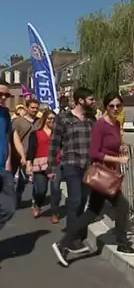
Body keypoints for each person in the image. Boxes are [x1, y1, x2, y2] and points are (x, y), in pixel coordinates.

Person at [52, 92, 134, 266]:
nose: (115, 109)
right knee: (122, 206)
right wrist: (118, 159)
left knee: (91, 211)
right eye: (111, 106)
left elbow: (112, 145)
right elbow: (95, 152)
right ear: (106, 107)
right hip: (102, 175)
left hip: (110, 174)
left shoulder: (116, 124)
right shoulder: (100, 125)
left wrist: (120, 147)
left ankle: (64, 243)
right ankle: (122, 243)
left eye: (118, 106)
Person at [48, 87, 97, 254]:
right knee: (75, 200)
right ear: (81, 100)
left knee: (83, 200)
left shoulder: (91, 118)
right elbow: (55, 143)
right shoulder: (63, 118)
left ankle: (76, 235)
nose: (94, 101)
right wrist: (52, 167)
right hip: (71, 164)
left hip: (88, 165)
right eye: (91, 99)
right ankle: (70, 240)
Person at [26, 109, 62, 223]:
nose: (52, 121)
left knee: (55, 189)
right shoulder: (35, 133)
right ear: (45, 119)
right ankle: (37, 204)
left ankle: (55, 213)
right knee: (41, 190)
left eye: (54, 119)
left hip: (55, 164)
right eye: (49, 118)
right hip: (40, 165)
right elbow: (31, 150)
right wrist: (28, 164)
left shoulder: (59, 133)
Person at [12, 98, 39, 207]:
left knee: (36, 179)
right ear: (27, 108)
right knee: (23, 180)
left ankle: (35, 201)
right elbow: (13, 137)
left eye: (36, 108)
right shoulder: (18, 122)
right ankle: (17, 198)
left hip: (36, 155)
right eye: (32, 107)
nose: (35, 110)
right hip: (21, 154)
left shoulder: (39, 121)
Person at [0, 81, 15, 230]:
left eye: (6, 95)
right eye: (0, 94)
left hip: (4, 167)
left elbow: (7, 137)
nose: (3, 97)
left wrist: (9, 160)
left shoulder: (5, 113)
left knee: (9, 208)